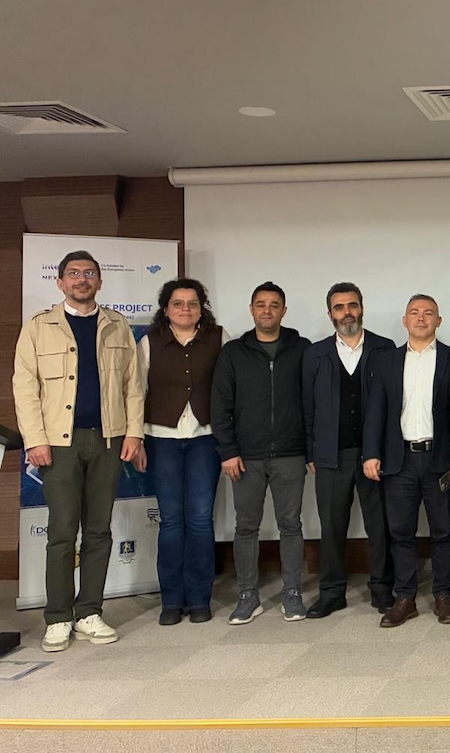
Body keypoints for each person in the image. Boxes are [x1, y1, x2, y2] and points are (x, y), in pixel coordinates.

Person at [13, 251, 146, 653]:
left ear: (99, 282)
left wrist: (134, 433)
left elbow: (133, 386)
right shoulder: (39, 327)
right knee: (61, 532)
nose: (81, 279)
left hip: (107, 440)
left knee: (99, 530)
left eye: (89, 273)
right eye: (73, 274)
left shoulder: (117, 325)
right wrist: (35, 439)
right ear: (60, 282)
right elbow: (25, 386)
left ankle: (89, 611)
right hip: (58, 443)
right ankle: (58, 617)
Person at [211, 281, 311, 625]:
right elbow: (220, 405)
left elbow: (313, 402)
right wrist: (227, 451)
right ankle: (247, 595)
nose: (267, 310)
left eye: (274, 305)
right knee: (246, 527)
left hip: (291, 454)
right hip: (246, 457)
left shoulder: (302, 349)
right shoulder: (233, 353)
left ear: (284, 310)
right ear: (251, 310)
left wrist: (311, 449)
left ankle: (292, 593)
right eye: (261, 304)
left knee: (291, 525)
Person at [364, 294, 450, 629]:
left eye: (428, 313)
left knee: (443, 531)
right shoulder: (387, 361)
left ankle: (444, 595)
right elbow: (375, 410)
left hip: (440, 459)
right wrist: (371, 453)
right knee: (400, 532)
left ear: (438, 321)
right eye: (414, 313)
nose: (421, 318)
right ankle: (405, 597)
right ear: (405, 321)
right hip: (399, 460)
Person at [138, 278, 230, 626]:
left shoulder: (219, 338)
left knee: (201, 520)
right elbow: (136, 393)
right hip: (161, 440)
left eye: (192, 303)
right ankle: (172, 601)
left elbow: (229, 390)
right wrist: (135, 439)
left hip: (205, 439)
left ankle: (200, 598)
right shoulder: (149, 343)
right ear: (166, 309)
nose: (185, 309)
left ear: (201, 308)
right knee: (172, 521)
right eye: (178, 303)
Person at [302, 282, 396, 618]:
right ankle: (331, 593)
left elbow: (393, 404)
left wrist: (385, 450)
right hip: (331, 454)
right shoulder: (315, 354)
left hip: (375, 454)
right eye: (339, 307)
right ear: (330, 314)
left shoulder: (384, 349)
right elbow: (307, 406)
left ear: (362, 308)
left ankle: (383, 589)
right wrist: (311, 451)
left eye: (352, 305)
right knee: (331, 526)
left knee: (380, 525)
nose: (347, 313)